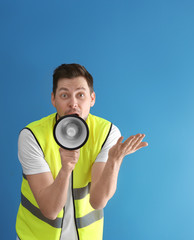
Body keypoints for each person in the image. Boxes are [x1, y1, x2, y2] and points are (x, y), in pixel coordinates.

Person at [15, 63, 148, 240]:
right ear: (53, 99)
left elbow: (98, 201)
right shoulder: (32, 136)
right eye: (64, 95)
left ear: (92, 98)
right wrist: (65, 170)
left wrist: (114, 161)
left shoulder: (107, 133)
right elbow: (50, 210)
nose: (73, 103)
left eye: (80, 95)